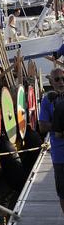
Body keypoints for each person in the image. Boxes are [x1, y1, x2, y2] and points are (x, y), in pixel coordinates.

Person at [39, 67, 64, 216]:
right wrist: (57, 129)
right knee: (63, 193)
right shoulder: (47, 100)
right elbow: (42, 126)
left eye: (63, 78)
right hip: (60, 155)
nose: (61, 82)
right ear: (52, 83)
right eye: (57, 79)